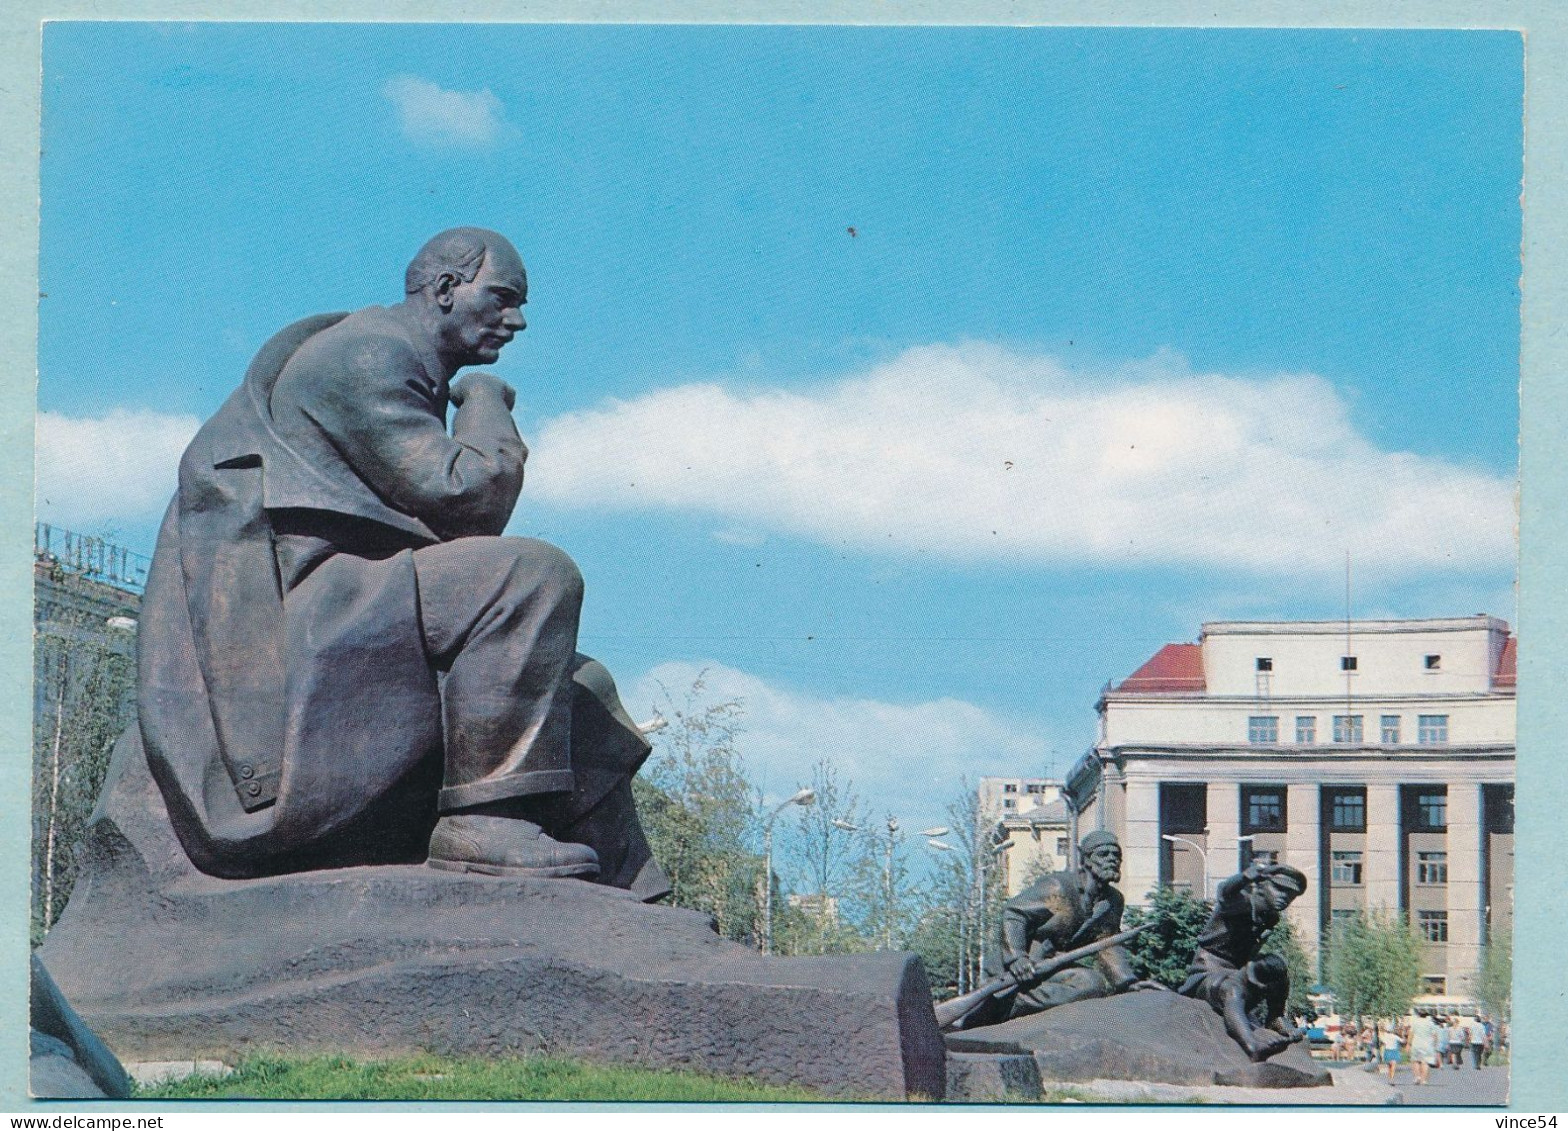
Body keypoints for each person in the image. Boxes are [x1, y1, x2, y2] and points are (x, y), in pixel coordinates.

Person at [135, 228, 668, 896]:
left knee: (576, 683)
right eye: (503, 297)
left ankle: (632, 895)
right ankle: (483, 826)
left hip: (353, 600)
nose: (519, 320)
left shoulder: (389, 353)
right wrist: (483, 404)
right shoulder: (370, 354)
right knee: (533, 575)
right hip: (303, 614)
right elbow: (468, 499)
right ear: (446, 288)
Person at [980, 831, 1144, 1024]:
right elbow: (1014, 914)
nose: (1112, 859)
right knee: (1090, 983)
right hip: (1018, 970)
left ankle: (1016, 1007)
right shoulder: (1059, 888)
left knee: (1093, 984)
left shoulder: (1112, 901)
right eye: (1103, 854)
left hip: (1053, 969)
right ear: (1087, 860)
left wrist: (1127, 982)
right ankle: (1008, 1004)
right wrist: (1017, 957)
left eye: (1116, 855)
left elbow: (1108, 944)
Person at [1177, 861, 1308, 1061]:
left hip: (1238, 970)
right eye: (1279, 888)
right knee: (1232, 988)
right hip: (1209, 971)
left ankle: (1275, 1018)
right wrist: (1246, 876)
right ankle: (1252, 1046)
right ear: (1262, 885)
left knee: (1277, 965)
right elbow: (1224, 892)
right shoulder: (1240, 903)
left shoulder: (1270, 917)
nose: (1285, 897)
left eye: (1291, 894)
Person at [1408, 1011, 1439, 1085]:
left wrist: (1408, 1044)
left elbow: (1411, 1034)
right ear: (1427, 1015)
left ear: (1419, 1015)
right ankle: (1424, 1080)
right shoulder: (1431, 1023)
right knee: (1425, 1062)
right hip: (1427, 1045)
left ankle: (1417, 1077)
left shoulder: (1415, 1022)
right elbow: (1435, 1035)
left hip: (1416, 1044)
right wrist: (1435, 1045)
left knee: (1415, 1061)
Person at [1380, 1021, 1403, 1085]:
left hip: (1387, 1051)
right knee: (1393, 1066)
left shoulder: (1384, 1036)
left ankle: (1390, 1079)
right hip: (1394, 1051)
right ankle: (1392, 1079)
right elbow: (1402, 1041)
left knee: (1389, 1066)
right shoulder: (1395, 1036)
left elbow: (1382, 1042)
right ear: (1392, 1030)